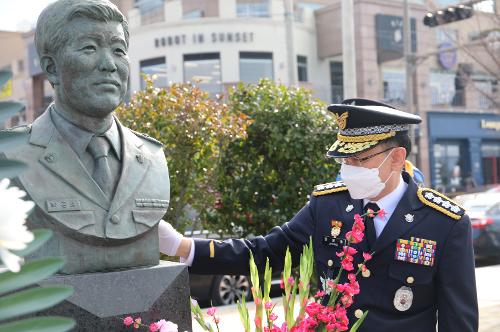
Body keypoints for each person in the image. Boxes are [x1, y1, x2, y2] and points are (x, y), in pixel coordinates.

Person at [159, 99, 478, 331]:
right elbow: (268, 251)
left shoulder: (443, 222)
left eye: (360, 159)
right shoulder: (328, 205)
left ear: (396, 158)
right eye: (344, 160)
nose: (348, 170)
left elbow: (458, 320)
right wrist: (182, 247)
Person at [2, 0, 170, 274]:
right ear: (51, 68)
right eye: (89, 48)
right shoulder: (13, 155)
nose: (109, 65)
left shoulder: (152, 157)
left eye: (118, 50)